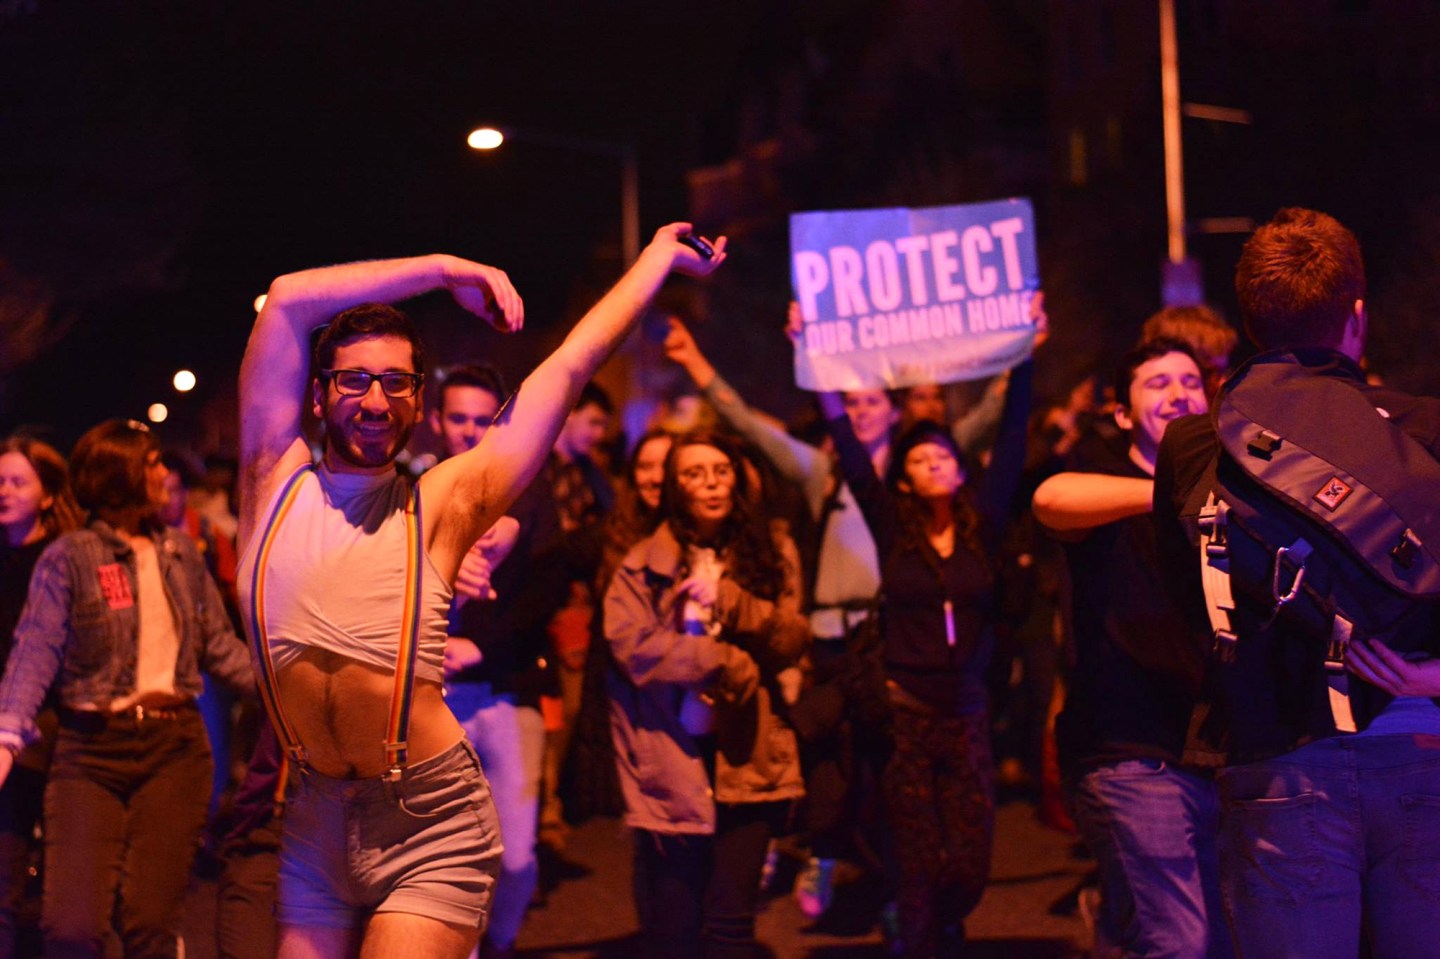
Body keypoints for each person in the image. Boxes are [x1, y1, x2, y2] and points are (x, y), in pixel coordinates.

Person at [236, 224, 725, 959]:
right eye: (355, 378)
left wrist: (657, 259)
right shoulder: (269, 476)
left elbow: (567, 369)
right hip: (315, 819)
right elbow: (285, 303)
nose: (375, 398)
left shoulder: (440, 502)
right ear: (317, 392)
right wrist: (438, 268)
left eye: (397, 381)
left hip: (427, 818)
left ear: (416, 401)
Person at [1153, 207, 1440, 958]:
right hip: (1420, 748)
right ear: (1357, 318)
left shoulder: (1194, 444)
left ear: (1250, 323)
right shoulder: (1425, 432)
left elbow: (1189, 615)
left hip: (1276, 760)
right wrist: (1425, 675)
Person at [0, 419, 255, 958]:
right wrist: (6, 734)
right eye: (153, 462)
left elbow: (221, 647)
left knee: (147, 926)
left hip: (174, 750)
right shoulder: (69, 557)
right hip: (89, 752)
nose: (164, 474)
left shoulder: (182, 554)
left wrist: (288, 695)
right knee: (71, 928)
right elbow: (33, 652)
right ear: (121, 474)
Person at [818, 352, 1031, 958]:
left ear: (960, 470)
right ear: (905, 478)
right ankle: (916, 938)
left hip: (964, 711)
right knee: (914, 858)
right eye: (918, 459)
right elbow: (854, 459)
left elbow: (1013, 439)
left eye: (943, 455)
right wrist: (818, 366)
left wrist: (1024, 358)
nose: (933, 462)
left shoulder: (980, 527)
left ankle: (942, 918)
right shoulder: (893, 529)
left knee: (967, 861)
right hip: (904, 711)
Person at [1032, 340, 1231, 959]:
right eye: (1157, 383)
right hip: (1130, 752)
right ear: (1123, 413)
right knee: (1183, 942)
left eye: (1189, 382)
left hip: (1222, 751)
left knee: (1217, 938)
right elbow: (1049, 500)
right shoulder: (1101, 479)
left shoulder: (1237, 491)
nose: (1177, 394)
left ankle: (1115, 921)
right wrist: (1171, 494)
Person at [604, 430, 809, 959]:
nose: (710, 484)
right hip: (672, 757)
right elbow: (631, 647)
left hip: (750, 754)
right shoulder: (643, 562)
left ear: (738, 479)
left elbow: (791, 638)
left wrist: (733, 601)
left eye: (720, 470)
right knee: (675, 923)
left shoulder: (773, 551)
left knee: (731, 923)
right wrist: (719, 659)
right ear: (675, 486)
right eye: (693, 473)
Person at [430, 363, 560, 959]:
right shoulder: (414, 494)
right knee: (442, 849)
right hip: (437, 698)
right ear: (435, 421)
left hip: (506, 688)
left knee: (516, 851)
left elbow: (549, 587)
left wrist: (484, 643)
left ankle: (501, 941)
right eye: (458, 418)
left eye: (484, 420)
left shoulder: (529, 490)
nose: (469, 430)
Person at [0, 436, 81, 954]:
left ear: (49, 494)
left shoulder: (62, 561)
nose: (3, 491)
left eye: (16, 482)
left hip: (49, 736)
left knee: (64, 891)